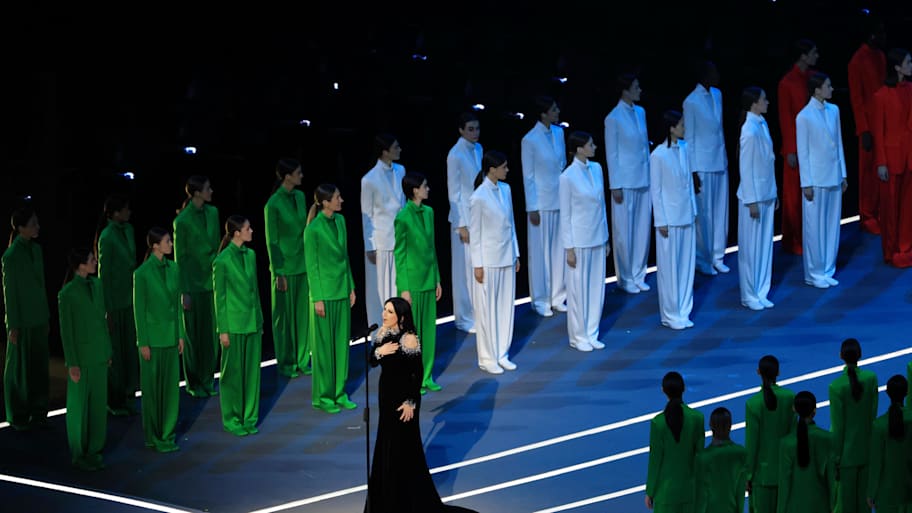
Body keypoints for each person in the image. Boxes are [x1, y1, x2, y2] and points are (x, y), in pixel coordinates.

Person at [364, 297, 478, 513]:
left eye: (389, 312)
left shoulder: (409, 340)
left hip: (405, 402)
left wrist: (410, 402)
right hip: (386, 398)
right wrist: (380, 352)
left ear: (401, 317)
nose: (384, 315)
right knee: (386, 443)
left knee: (404, 448)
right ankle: (387, 498)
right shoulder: (382, 335)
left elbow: (416, 375)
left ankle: (406, 499)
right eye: (384, 310)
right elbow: (371, 360)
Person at [58, 247, 112, 471]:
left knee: (98, 406)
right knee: (80, 408)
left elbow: (103, 320)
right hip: (81, 358)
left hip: (99, 354)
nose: (95, 261)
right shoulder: (67, 293)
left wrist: (108, 351)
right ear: (81, 265)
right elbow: (66, 332)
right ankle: (79, 453)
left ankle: (95, 450)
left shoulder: (97, 285)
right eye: (91, 259)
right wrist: (72, 362)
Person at [305, 184, 357, 413]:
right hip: (324, 294)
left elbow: (345, 257)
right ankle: (324, 396)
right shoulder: (313, 229)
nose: (341, 200)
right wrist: (317, 297)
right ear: (325, 202)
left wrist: (351, 286)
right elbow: (312, 266)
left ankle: (339, 391)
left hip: (341, 289)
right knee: (325, 348)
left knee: (340, 345)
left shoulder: (341, 222)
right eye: (337, 197)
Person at [133, 227, 184, 452]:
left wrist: (181, 334)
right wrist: (142, 341)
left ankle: (167, 433)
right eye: (167, 241)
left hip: (171, 337)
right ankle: (153, 435)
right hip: (152, 340)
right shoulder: (142, 274)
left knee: (171, 390)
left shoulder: (174, 269)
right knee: (153, 390)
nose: (171, 244)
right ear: (155, 246)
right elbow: (139, 310)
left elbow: (178, 307)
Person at [470, 151, 520, 374]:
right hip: (488, 261)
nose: (507, 170)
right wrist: (477, 265)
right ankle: (487, 357)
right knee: (488, 310)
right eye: (504, 166)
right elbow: (476, 234)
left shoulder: (506, 190)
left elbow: (511, 224)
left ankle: (502, 353)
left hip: (506, 257)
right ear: (492, 169)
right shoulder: (478, 197)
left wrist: (516, 253)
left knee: (504, 308)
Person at [213, 216, 264, 436]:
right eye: (247, 228)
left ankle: (249, 416)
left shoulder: (251, 255)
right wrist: (222, 329)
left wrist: (260, 319)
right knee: (232, 374)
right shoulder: (222, 261)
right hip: (233, 324)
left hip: (252, 321)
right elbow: (220, 298)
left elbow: (255, 290)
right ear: (236, 233)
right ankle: (232, 418)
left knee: (252, 373)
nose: (251, 231)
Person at [796, 72, 848, 289]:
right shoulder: (804, 116)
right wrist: (805, 182)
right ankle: (815, 272)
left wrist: (843, 173)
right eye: (827, 86)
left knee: (831, 225)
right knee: (814, 227)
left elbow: (839, 143)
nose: (831, 89)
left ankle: (827, 268)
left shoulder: (834, 110)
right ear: (817, 89)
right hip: (816, 180)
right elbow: (803, 152)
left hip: (834, 176)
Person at [394, 172, 444, 393]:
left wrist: (437, 279)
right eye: (424, 186)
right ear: (415, 190)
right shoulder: (403, 217)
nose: (428, 189)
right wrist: (403, 287)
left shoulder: (429, 212)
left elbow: (432, 248)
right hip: (412, 284)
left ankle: (427, 375)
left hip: (427, 280)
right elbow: (400, 254)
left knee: (428, 332)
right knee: (411, 335)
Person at [559, 131, 608, 352]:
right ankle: (578, 336)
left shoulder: (596, 169)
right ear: (579, 148)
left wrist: (606, 237)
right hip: (579, 241)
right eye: (590, 144)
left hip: (597, 237)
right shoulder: (567, 177)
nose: (594, 147)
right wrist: (569, 247)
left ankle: (591, 332)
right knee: (579, 291)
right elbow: (566, 215)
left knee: (596, 288)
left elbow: (602, 206)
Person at [2, 205, 50, 431]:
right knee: (19, 370)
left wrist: (46, 315)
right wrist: (13, 324)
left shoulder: (37, 250)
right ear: (20, 228)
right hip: (22, 320)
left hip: (39, 317)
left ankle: (39, 411)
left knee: (39, 367)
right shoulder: (11, 256)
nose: (37, 227)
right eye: (32, 224)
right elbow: (9, 292)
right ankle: (19, 414)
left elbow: (40, 285)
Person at [604, 73, 652, 294]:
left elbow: (644, 146)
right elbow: (612, 154)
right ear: (625, 90)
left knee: (642, 229)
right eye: (636, 86)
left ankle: (639, 272)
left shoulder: (640, 112)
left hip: (643, 177)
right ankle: (625, 277)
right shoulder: (613, 118)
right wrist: (615, 184)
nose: (640, 90)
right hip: (625, 181)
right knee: (625, 231)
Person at [650, 110, 697, 330]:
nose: (684, 128)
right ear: (671, 128)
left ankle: (683, 310)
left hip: (686, 215)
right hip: (669, 219)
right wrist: (661, 221)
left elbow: (689, 181)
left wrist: (694, 211)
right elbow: (656, 191)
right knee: (670, 268)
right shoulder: (658, 155)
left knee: (686, 266)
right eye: (681, 125)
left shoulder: (685, 148)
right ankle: (670, 314)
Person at [264, 158, 312, 378]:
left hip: (302, 264)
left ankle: (302, 359)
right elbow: (271, 241)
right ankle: (286, 362)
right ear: (287, 177)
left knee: (302, 316)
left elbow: (305, 228)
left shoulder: (301, 197)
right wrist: (278, 271)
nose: (301, 176)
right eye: (298, 172)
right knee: (284, 318)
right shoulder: (273, 204)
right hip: (284, 268)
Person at [173, 175, 220, 397]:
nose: (211, 191)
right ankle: (193, 383)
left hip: (211, 282)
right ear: (197, 193)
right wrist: (183, 291)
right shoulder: (181, 221)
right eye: (208, 188)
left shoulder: (213, 213)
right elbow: (179, 258)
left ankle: (208, 379)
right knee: (193, 336)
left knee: (211, 334)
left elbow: (217, 247)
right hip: (192, 284)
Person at [521, 95, 567, 317]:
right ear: (543, 113)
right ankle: (540, 299)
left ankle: (558, 295)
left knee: (559, 249)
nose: (558, 112)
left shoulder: (559, 133)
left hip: (559, 198)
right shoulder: (530, 140)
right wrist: (532, 206)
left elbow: (562, 165)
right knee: (540, 253)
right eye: (554, 109)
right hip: (541, 203)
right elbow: (528, 177)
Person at [684, 61, 730, 275]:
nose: (717, 75)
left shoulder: (718, 95)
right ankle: (704, 259)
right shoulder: (691, 102)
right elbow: (689, 137)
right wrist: (692, 170)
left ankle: (718, 256)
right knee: (705, 214)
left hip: (719, 160)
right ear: (704, 75)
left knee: (720, 211)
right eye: (713, 72)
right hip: (702, 164)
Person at [95, 193, 139, 416]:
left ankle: (129, 395)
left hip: (130, 300)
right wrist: (107, 309)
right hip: (114, 303)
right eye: (125, 208)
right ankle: (115, 400)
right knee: (116, 352)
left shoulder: (129, 230)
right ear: (114, 213)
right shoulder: (107, 236)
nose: (129, 212)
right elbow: (104, 275)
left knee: (130, 349)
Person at [737, 87, 778, 310]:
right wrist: (751, 200)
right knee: (751, 248)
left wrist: (774, 192)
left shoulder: (762, 124)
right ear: (754, 103)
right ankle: (749, 293)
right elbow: (747, 167)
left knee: (764, 247)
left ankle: (761, 290)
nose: (767, 102)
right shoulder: (749, 130)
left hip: (767, 194)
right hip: (754, 198)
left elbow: (768, 162)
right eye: (764, 99)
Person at [778, 39, 819, 255]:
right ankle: (794, 238)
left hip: (814, 146)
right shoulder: (787, 82)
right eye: (813, 52)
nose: (816, 56)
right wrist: (791, 150)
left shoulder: (813, 78)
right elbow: (786, 118)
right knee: (794, 196)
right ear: (803, 55)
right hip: (796, 147)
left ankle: (810, 236)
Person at [828, 337, 879, 513]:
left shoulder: (836, 387)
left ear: (841, 356)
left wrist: (835, 459)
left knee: (845, 507)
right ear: (860, 355)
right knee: (864, 507)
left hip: (846, 458)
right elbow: (872, 414)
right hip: (867, 452)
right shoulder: (871, 378)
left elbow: (838, 427)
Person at [872, 48, 912, 268]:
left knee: (907, 207)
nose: (911, 65)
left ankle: (905, 247)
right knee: (890, 209)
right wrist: (881, 162)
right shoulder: (881, 96)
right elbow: (878, 132)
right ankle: (890, 250)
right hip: (891, 158)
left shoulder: (911, 89)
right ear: (897, 67)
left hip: (909, 156)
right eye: (908, 62)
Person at [361, 135, 406, 329]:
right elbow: (367, 215)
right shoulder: (369, 179)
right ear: (384, 151)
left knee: (398, 288)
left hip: (400, 239)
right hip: (381, 242)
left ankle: (399, 331)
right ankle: (379, 335)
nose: (399, 150)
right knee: (379, 291)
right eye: (395, 147)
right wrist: (369, 245)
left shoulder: (401, 170)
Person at [848, 16, 887, 235]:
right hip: (868, 126)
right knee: (866, 172)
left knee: (881, 168)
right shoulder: (857, 60)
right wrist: (863, 129)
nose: (883, 37)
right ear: (871, 34)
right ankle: (867, 214)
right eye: (880, 32)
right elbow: (857, 98)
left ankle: (879, 211)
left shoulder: (880, 56)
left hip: (882, 121)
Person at [644, 371, 704, 512]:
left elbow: (655, 460)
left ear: (663, 391)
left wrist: (650, 491)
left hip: (665, 494)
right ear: (683, 389)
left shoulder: (658, 423)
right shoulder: (697, 418)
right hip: (690, 492)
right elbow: (700, 457)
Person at [745, 355, 796, 513]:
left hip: (762, 478)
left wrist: (748, 475)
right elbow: (794, 436)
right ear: (778, 372)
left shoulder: (753, 404)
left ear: (758, 372)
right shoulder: (789, 397)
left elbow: (752, 444)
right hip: (786, 474)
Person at [446, 112, 483, 333]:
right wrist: (460, 223)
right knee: (463, 270)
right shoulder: (455, 155)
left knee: (476, 266)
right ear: (461, 130)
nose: (475, 132)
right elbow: (454, 191)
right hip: (463, 219)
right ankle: (463, 317)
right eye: (470, 129)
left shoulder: (478, 149)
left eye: (477, 128)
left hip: (478, 214)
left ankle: (477, 313)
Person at [777, 390, 835, 513]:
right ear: (814, 410)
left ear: (794, 409)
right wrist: (832, 506)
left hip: (794, 508)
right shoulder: (828, 439)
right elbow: (832, 479)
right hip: (821, 506)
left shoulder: (786, 443)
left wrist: (781, 510)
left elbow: (784, 484)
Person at [866, 374, 912, 512]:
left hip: (886, 495)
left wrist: (871, 493)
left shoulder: (879, 426)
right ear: (907, 392)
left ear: (887, 393)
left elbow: (876, 463)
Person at [693, 407, 747, 513]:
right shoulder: (741, 453)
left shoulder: (702, 458)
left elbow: (700, 497)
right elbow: (740, 492)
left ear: (710, 426)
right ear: (730, 426)